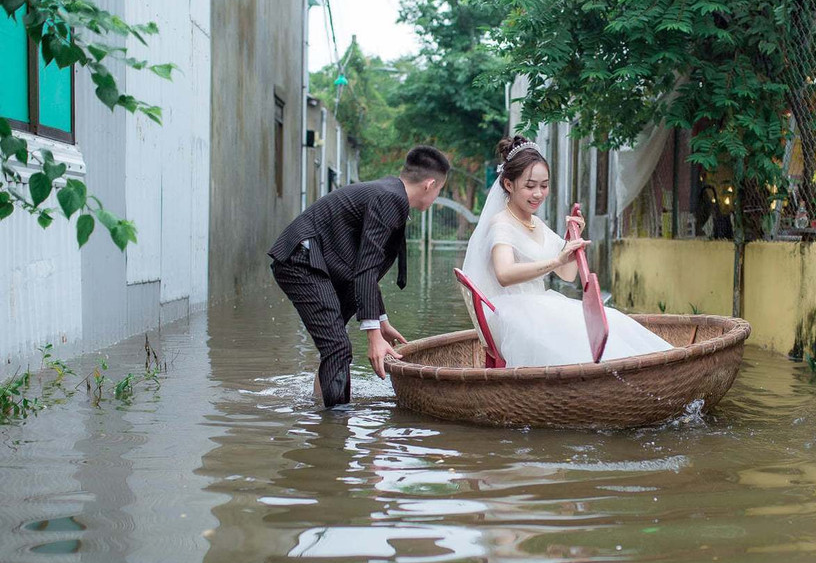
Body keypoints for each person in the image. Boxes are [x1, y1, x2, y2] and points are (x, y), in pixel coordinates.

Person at [460, 135, 672, 367]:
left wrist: (572, 239)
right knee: (569, 336)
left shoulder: (536, 225)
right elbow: (505, 274)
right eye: (530, 186)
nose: (539, 194)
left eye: (544, 185)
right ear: (509, 185)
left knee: (615, 321)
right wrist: (554, 260)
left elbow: (568, 274)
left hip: (540, 307)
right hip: (512, 314)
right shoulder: (501, 224)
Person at [269, 146, 449, 407]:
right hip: (302, 260)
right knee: (338, 348)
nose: (436, 195)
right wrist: (373, 335)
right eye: (440, 190)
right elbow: (364, 269)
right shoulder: (389, 199)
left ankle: (321, 409)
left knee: (335, 347)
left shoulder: (389, 194)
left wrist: (381, 320)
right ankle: (335, 426)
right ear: (430, 184)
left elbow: (364, 268)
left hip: (317, 261)